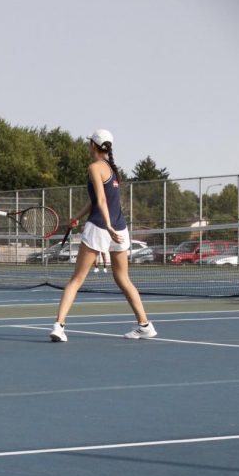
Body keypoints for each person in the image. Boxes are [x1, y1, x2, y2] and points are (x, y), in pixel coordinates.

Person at [50, 129, 156, 342]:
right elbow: (97, 200)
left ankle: (58, 327)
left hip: (101, 227)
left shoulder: (94, 167)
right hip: (120, 228)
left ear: (94, 145)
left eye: (89, 142)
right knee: (123, 278)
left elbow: (101, 200)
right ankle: (145, 325)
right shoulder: (114, 170)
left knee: (76, 279)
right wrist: (77, 216)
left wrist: (106, 225)